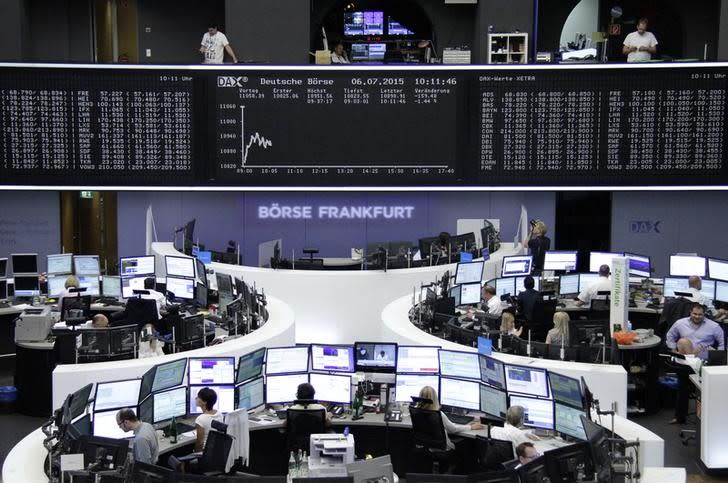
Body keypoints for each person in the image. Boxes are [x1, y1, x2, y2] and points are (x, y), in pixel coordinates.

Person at [665, 303, 725, 424]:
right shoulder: (680, 323)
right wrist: (673, 350)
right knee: (682, 387)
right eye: (694, 314)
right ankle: (680, 417)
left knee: (708, 390)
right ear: (690, 313)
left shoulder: (714, 326)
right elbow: (670, 336)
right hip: (686, 362)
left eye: (700, 314)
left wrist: (717, 354)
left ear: (705, 314)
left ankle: (709, 420)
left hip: (704, 363)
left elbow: (722, 344)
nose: (697, 316)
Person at [417, 386, 483, 449]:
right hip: (444, 448)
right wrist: (471, 427)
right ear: (435, 398)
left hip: (427, 447)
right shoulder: (438, 414)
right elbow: (453, 429)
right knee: (469, 444)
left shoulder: (416, 412)